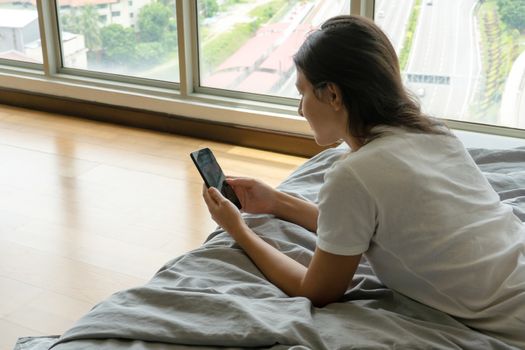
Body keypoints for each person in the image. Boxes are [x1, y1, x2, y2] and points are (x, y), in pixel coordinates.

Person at [202, 15, 525, 348]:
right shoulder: (433, 132)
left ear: (332, 96)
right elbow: (359, 227)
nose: (300, 110)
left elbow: (316, 291)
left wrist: (237, 229)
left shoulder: (353, 175)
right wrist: (277, 202)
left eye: (303, 93)